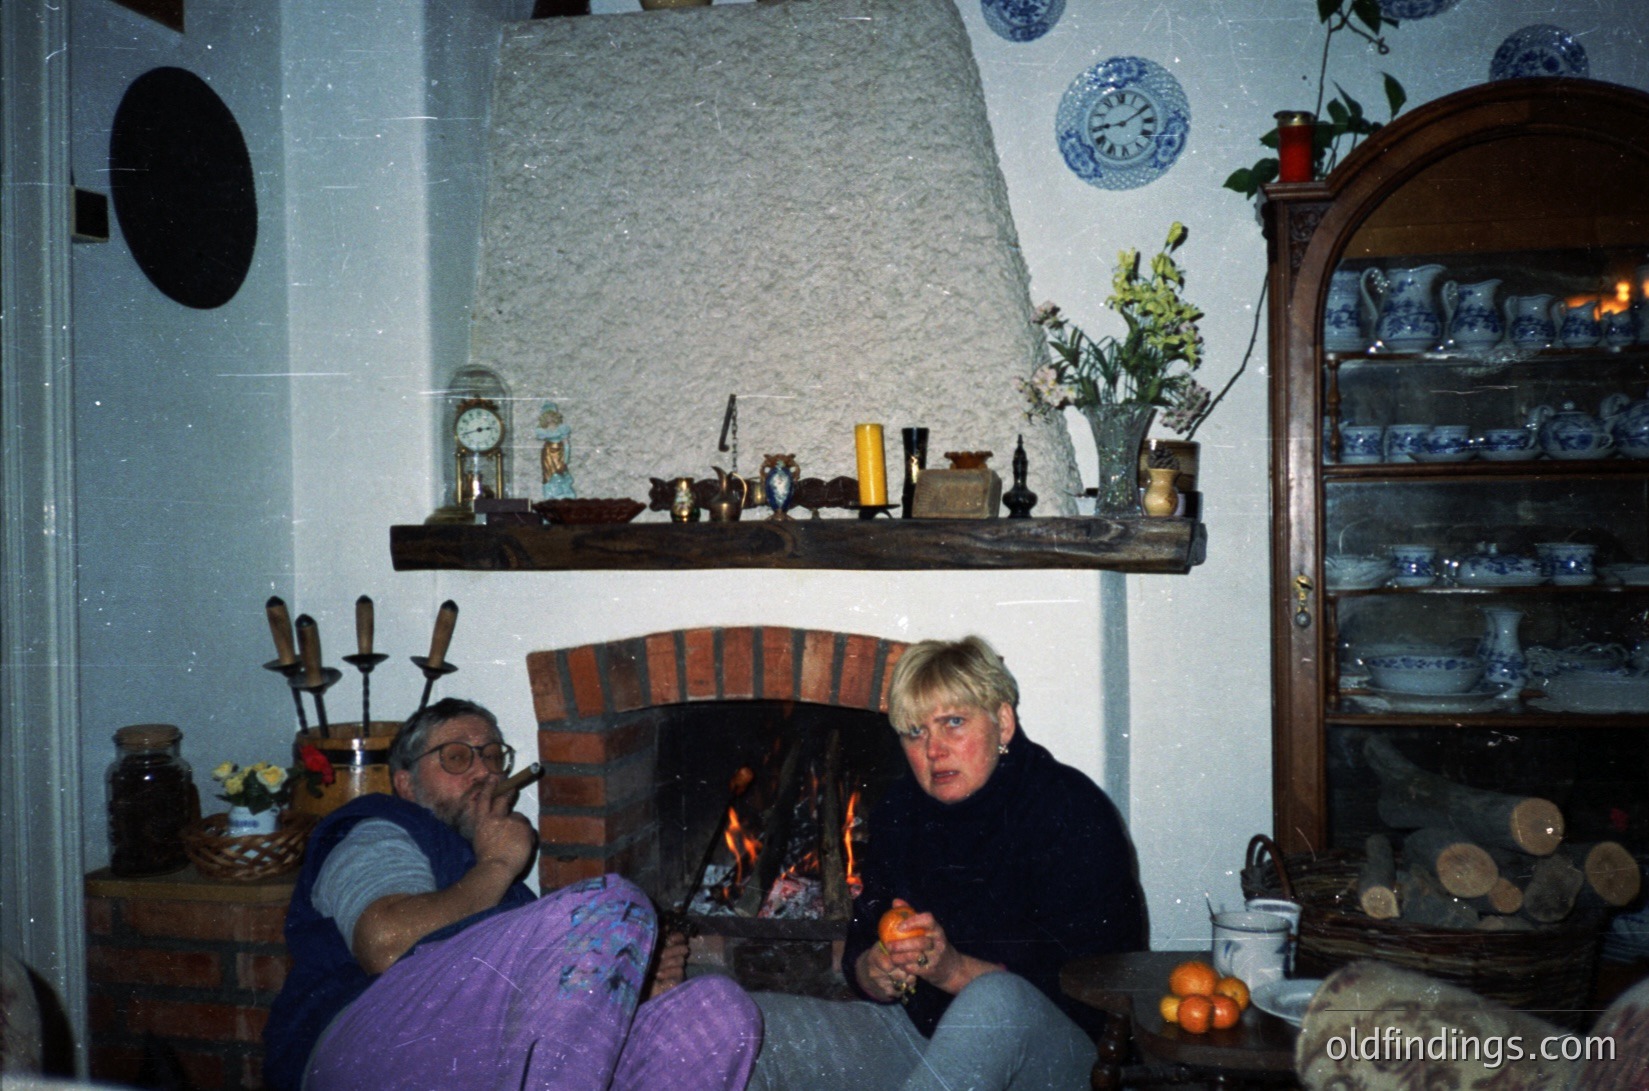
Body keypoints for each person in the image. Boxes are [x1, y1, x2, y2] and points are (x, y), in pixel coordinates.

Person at [264, 697, 762, 1091]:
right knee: (612, 905)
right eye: (456, 757)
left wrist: (627, 986)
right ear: (406, 784)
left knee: (718, 1011)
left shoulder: (499, 884)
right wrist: (499, 863)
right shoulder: (380, 829)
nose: (484, 772)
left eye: (493, 755)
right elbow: (385, 944)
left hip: (478, 1056)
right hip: (359, 1047)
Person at [748, 636, 1145, 1091]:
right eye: (915, 732)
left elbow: (1100, 990)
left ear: (1003, 722)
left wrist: (954, 971)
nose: (933, 749)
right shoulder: (900, 809)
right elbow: (863, 936)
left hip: (1063, 1058)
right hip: (923, 1038)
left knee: (993, 1003)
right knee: (751, 1026)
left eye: (953, 722)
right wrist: (875, 973)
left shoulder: (1070, 810)